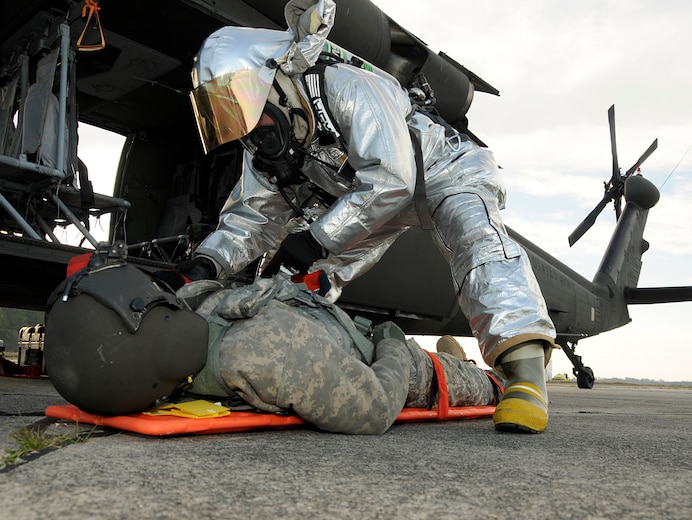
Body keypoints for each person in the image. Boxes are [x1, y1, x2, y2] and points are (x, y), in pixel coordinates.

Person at [181, 0, 557, 433]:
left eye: (242, 102)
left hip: (441, 168)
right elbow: (249, 220)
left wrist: (317, 239)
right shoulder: (268, 149)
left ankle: (526, 377)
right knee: (299, 282)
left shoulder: (347, 85)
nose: (246, 125)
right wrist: (203, 264)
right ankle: (318, 358)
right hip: (369, 195)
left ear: (277, 83)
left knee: (476, 242)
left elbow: (392, 176)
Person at [44, 255, 502, 434]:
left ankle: (448, 355)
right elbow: (376, 408)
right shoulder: (270, 353)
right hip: (389, 365)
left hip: (328, 327)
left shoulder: (189, 310)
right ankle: (475, 369)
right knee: (475, 382)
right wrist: (391, 343)